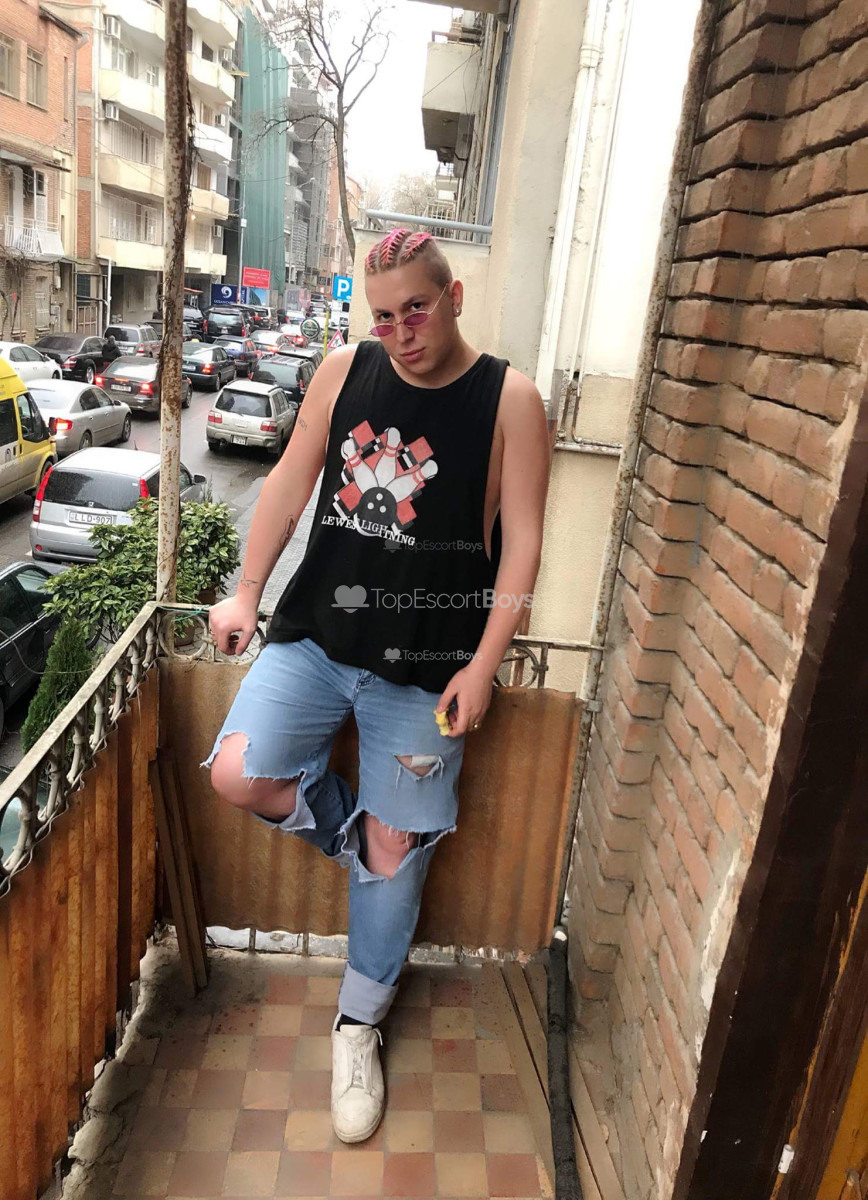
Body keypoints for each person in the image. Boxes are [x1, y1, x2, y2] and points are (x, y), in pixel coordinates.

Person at [205, 227, 550, 1143]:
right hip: (318, 639)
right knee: (238, 771)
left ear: (455, 297)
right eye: (385, 316)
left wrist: (485, 664)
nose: (401, 332)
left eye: (418, 309)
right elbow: (288, 484)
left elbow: (523, 544)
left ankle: (358, 1025)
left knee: (397, 858)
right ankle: (365, 839)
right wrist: (246, 590)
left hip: (429, 670)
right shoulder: (342, 371)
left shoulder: (511, 400)